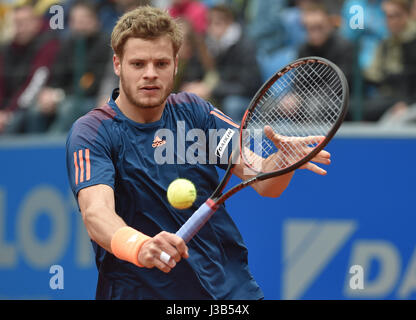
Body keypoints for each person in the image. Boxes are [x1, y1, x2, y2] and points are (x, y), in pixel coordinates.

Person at [66, 6, 332, 300]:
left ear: (176, 64)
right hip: (140, 292)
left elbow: (265, 182)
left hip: (229, 291)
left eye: (161, 63)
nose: (150, 74)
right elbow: (96, 213)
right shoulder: (93, 131)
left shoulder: (195, 112)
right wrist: (140, 246)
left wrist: (281, 164)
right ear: (117, 64)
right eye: (138, 64)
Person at [23, 0, 111, 134]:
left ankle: (50, 145)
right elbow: (57, 75)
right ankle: (31, 149)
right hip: (66, 95)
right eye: (76, 20)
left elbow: (92, 83)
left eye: (84, 19)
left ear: (96, 21)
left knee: (69, 108)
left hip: (93, 98)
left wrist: (60, 95)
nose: (80, 24)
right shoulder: (67, 44)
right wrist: (49, 92)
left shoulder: (105, 44)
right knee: (35, 109)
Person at [182, 4, 262, 122]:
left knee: (232, 104)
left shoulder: (245, 46)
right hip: (216, 94)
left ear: (230, 23)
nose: (212, 28)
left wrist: (211, 89)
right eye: (209, 23)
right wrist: (192, 85)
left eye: (218, 23)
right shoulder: (205, 45)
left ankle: (233, 139)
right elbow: (195, 72)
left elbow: (248, 86)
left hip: (244, 98)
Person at [0, 1, 60, 134]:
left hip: (25, 107)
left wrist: (9, 113)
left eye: (24, 23)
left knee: (19, 120)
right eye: (16, 23)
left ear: (36, 23)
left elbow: (35, 83)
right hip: (6, 110)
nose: (20, 28)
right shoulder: (6, 49)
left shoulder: (48, 44)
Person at [363, 0, 416, 122]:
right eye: (386, 16)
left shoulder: (413, 42)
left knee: (392, 120)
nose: (389, 21)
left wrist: (407, 102)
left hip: (410, 102)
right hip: (388, 98)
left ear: (407, 15)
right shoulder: (385, 43)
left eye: (394, 15)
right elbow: (373, 75)